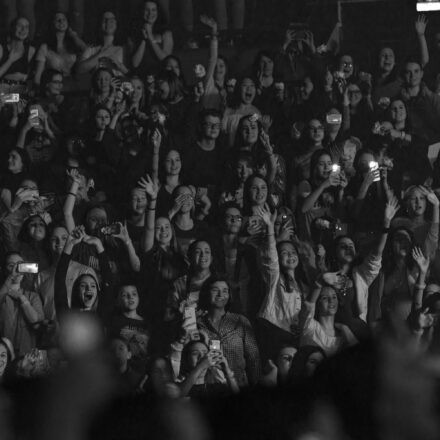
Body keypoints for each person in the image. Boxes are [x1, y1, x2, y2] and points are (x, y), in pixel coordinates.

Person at [197, 275, 261, 387]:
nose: (220, 294)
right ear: (206, 293)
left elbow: (253, 358)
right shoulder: (197, 324)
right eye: (215, 290)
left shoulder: (240, 321)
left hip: (238, 386)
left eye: (225, 291)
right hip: (206, 389)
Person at [0, 251, 44, 356]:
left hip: (26, 356)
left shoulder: (33, 296)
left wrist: (22, 298)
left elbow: (37, 324)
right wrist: (10, 277)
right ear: (4, 269)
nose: (16, 269)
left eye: (20, 265)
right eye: (11, 266)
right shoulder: (2, 294)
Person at [33, 12, 86, 86]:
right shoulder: (45, 47)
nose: (61, 22)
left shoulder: (73, 44)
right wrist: (37, 89)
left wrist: (73, 35)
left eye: (64, 19)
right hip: (52, 85)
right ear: (52, 24)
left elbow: (85, 50)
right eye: (58, 20)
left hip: (72, 84)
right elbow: (38, 74)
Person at [76, 11, 128, 76]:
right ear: (99, 24)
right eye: (105, 20)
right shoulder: (91, 49)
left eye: (111, 20)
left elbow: (132, 75)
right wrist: (100, 55)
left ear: (117, 24)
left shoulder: (124, 49)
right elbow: (79, 70)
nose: (108, 22)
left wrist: (120, 65)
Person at [130, 0, 173, 77]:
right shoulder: (133, 34)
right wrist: (144, 40)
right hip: (141, 77)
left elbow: (166, 60)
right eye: (147, 10)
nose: (150, 13)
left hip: (161, 77)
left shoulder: (166, 34)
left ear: (158, 12)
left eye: (153, 10)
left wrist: (150, 37)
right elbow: (134, 64)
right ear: (142, 11)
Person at [0, 17, 35, 93]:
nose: (23, 29)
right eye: (19, 26)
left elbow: (34, 78)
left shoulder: (31, 50)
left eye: (26, 27)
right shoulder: (1, 48)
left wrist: (24, 77)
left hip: (20, 93)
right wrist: (10, 61)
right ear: (12, 28)